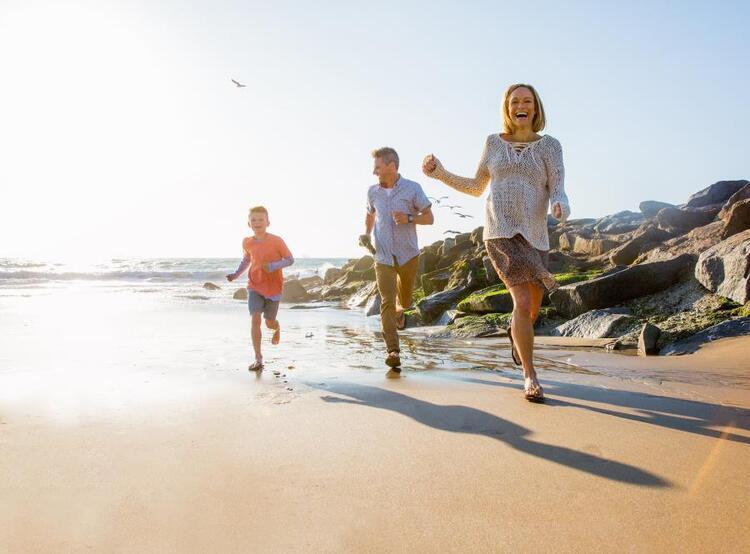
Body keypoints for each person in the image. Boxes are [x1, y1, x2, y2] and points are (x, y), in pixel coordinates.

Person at [422, 84, 570, 402]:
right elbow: (477, 187)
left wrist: (560, 206)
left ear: (535, 108)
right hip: (500, 233)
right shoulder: (492, 143)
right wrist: (441, 174)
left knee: (531, 310)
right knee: (522, 303)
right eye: (515, 101)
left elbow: (558, 187)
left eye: (527, 101)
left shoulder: (551, 146)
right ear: (507, 108)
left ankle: (517, 337)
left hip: (535, 235)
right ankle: (530, 376)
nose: (521, 105)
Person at [363, 147, 434, 371]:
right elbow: (370, 213)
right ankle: (392, 350)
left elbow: (430, 218)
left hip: (408, 255)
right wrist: (366, 234)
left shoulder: (413, 189)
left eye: (377, 167)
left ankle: (401, 310)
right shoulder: (372, 191)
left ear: (391, 166)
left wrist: (409, 218)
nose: (374, 172)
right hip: (382, 256)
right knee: (386, 301)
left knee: (404, 301)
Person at [226, 206, 294, 371]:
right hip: (254, 285)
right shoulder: (247, 242)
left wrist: (272, 266)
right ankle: (258, 358)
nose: (257, 222)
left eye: (261, 219)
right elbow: (247, 260)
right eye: (253, 219)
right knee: (255, 320)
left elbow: (290, 259)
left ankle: (276, 327)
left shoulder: (277, 240)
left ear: (268, 222)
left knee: (269, 323)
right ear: (248, 223)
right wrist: (236, 275)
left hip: (274, 287)